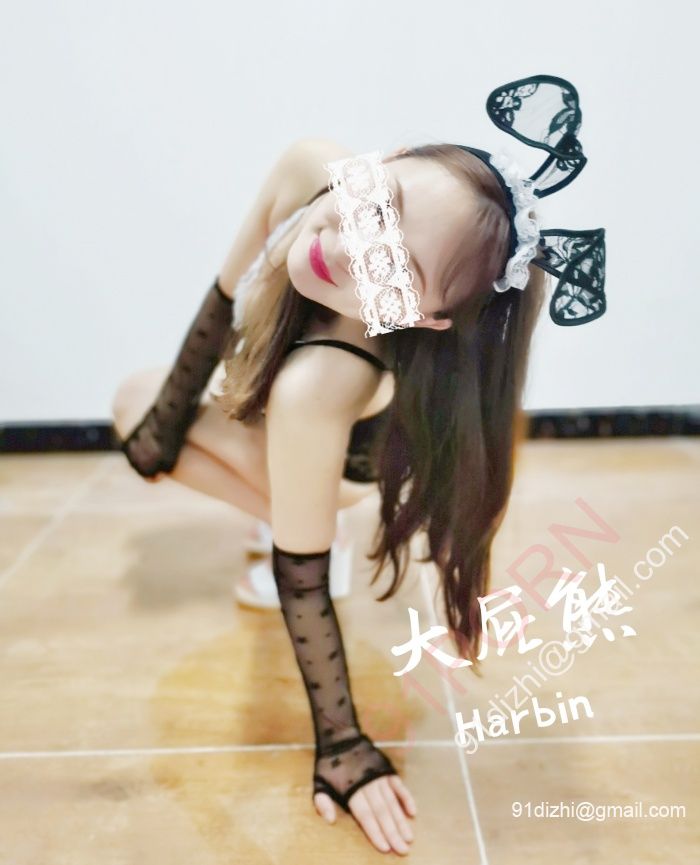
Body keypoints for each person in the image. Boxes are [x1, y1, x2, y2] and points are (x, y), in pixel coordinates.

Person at [112, 136, 547, 855]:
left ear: (427, 319)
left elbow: (302, 579)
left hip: (343, 465)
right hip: (297, 415)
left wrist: (344, 745)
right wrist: (163, 427)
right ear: (387, 157)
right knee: (144, 406)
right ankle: (286, 497)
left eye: (396, 270)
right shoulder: (310, 168)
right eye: (381, 204)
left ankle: (304, 509)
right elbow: (224, 297)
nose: (348, 249)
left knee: (139, 402)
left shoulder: (319, 383)